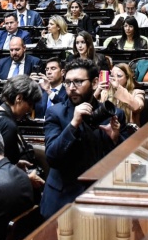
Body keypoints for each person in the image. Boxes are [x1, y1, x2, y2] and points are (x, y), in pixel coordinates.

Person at [41, 59, 123, 218]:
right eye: (68, 83)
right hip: (62, 200)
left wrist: (114, 140)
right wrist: (73, 124)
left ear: (94, 83)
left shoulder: (113, 114)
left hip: (100, 199)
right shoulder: (55, 113)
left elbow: (123, 164)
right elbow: (52, 157)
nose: (71, 88)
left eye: (78, 82)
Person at [0, 75, 42, 168]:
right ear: (19, 98)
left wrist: (14, 164)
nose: (30, 109)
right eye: (30, 104)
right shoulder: (9, 126)